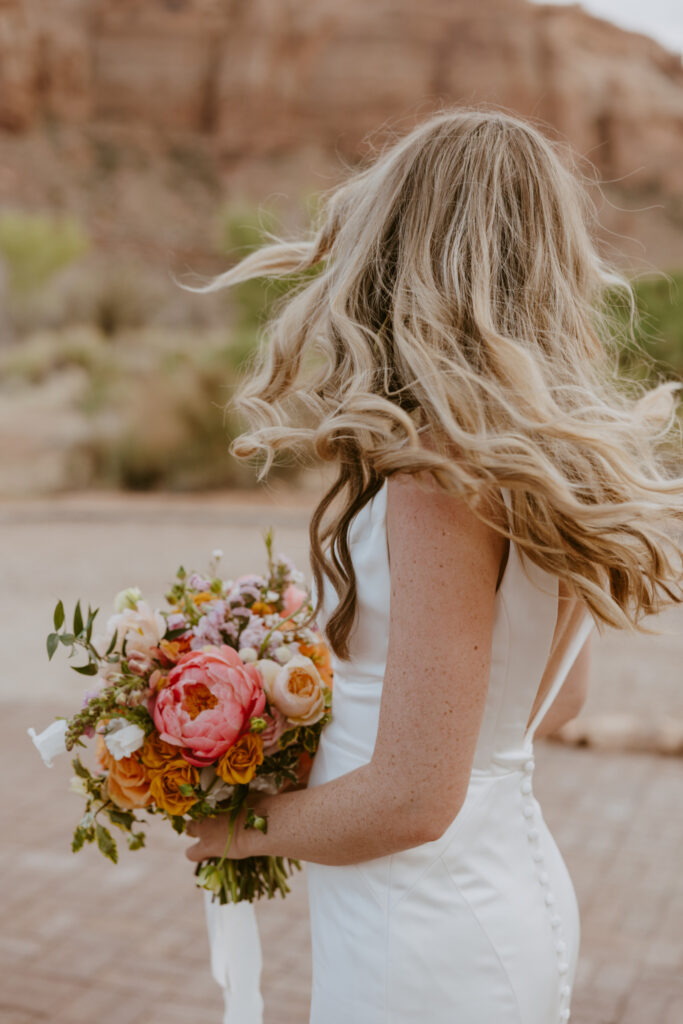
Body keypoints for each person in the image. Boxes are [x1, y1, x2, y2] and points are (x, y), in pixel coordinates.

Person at [183, 107, 683, 1023]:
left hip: (420, 929)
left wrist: (238, 827)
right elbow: (553, 702)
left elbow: (413, 799)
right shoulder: (540, 459)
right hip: (494, 892)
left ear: (398, 247)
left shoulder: (436, 476)